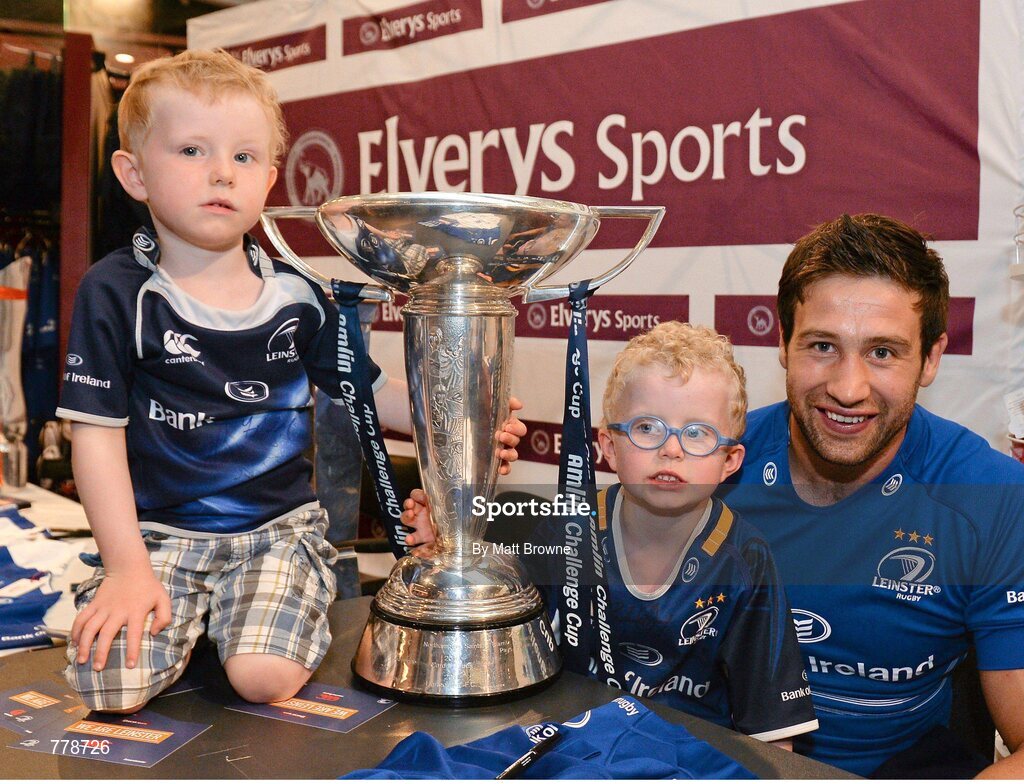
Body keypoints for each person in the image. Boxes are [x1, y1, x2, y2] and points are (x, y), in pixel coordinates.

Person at [55, 49, 525, 713]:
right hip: (157, 537)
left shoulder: (297, 292)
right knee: (110, 689)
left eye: (244, 157)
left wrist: (463, 420)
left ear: (270, 177)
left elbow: (368, 395)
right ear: (133, 173)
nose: (221, 172)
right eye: (192, 150)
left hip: (275, 532)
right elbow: (95, 439)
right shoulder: (114, 291)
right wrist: (128, 571)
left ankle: (242, 616)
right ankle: (196, 613)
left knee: (261, 679)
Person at [407, 321, 818, 745]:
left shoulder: (745, 558)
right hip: (566, 747)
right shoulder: (564, 528)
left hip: (687, 759)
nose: (671, 449)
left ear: (730, 460)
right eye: (646, 428)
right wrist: (445, 531)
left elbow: (774, 730)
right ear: (608, 447)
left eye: (697, 433)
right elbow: (477, 586)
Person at [721, 213, 1024, 777]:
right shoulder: (712, 463)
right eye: (822, 346)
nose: (847, 387)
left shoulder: (993, 497)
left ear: (931, 359)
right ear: (782, 342)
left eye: (882, 352)